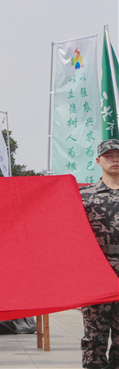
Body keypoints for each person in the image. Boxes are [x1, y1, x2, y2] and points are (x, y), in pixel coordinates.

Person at [80, 139, 119, 369]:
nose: (115, 159)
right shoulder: (83, 196)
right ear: (98, 160)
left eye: (118, 155)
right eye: (108, 155)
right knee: (94, 337)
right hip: (96, 273)